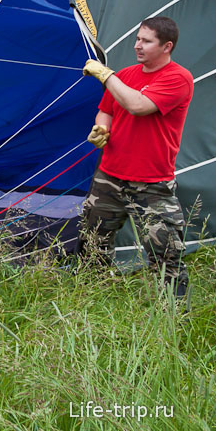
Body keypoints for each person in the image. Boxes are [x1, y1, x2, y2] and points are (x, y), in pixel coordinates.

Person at [81, 16, 193, 304]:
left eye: (146, 41)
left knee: (166, 253)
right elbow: (107, 108)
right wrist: (101, 128)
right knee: (93, 243)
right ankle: (90, 302)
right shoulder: (127, 75)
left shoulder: (178, 78)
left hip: (152, 182)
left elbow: (138, 105)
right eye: (137, 39)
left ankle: (173, 317)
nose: (137, 46)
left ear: (167, 46)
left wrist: (106, 75)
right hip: (109, 176)